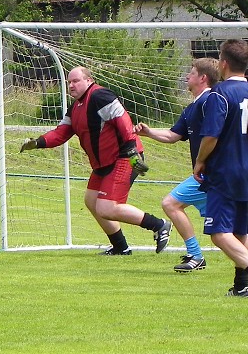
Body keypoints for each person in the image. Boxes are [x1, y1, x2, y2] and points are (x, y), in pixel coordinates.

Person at [20, 66, 172, 255]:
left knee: (107, 207)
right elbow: (61, 133)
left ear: (89, 80)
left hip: (124, 156)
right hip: (104, 163)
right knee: (92, 201)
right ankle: (120, 247)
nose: (71, 85)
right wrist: (38, 143)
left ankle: (159, 225)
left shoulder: (101, 96)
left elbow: (123, 120)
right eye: (69, 82)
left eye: (76, 81)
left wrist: (132, 151)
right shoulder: (75, 107)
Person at [135, 58, 219, 272]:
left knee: (171, 204)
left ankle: (196, 255)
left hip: (214, 175)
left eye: (190, 73)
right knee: (231, 227)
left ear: (202, 78)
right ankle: (196, 256)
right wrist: (149, 132)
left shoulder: (211, 101)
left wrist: (203, 161)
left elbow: (215, 135)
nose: (186, 77)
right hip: (205, 176)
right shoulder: (193, 107)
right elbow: (173, 135)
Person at [193, 39, 248, 297]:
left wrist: (200, 160)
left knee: (218, 233)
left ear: (223, 63)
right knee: (240, 230)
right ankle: (242, 284)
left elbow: (211, 135)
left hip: (227, 171)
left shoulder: (221, 94)